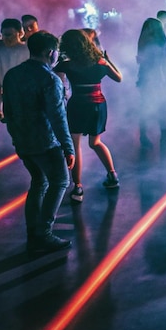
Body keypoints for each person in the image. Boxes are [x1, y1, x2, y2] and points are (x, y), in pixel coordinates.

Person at [2, 31, 75, 253]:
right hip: (46, 143)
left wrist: (16, 137)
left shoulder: (12, 74)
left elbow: (9, 111)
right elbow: (57, 117)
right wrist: (68, 147)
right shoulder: (50, 79)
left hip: (23, 142)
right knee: (60, 181)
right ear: (50, 52)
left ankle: (33, 231)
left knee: (39, 182)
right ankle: (43, 233)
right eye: (57, 53)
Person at [55, 29, 122, 202]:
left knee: (75, 146)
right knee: (95, 142)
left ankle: (78, 188)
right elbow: (119, 78)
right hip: (98, 104)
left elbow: (54, 80)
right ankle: (112, 176)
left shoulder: (67, 64)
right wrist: (108, 60)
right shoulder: (100, 62)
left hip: (78, 105)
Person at [136, 17, 166, 149]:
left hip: (145, 78)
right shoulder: (157, 41)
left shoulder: (143, 40)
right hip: (156, 78)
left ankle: (144, 137)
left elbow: (141, 60)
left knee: (144, 108)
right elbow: (163, 62)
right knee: (160, 108)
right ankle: (163, 137)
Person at [0, 18, 28, 114]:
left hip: (25, 94)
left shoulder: (28, 50)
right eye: (4, 35)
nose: (7, 38)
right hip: (5, 95)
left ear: (20, 33)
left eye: (10, 35)